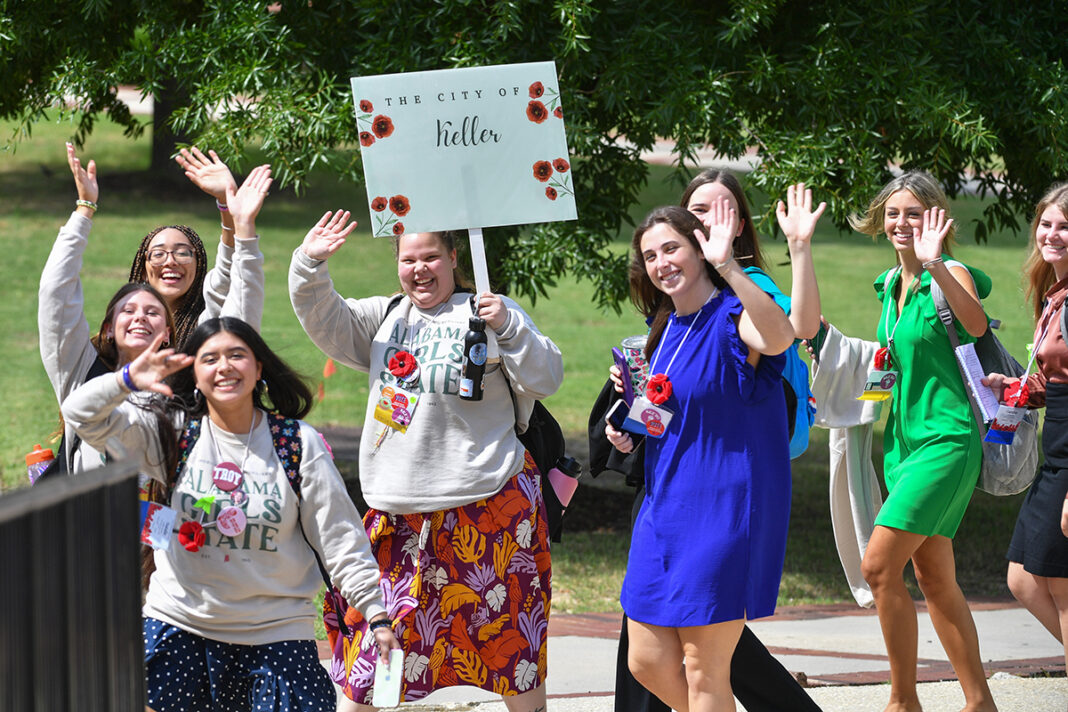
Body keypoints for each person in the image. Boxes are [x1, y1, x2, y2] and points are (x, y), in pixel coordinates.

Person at [288, 214, 563, 711]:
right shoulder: (384, 317)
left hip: (490, 508)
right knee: (372, 657)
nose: (419, 269)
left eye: (431, 257)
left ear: (454, 258)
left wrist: (508, 326)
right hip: (399, 517)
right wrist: (310, 263)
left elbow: (545, 378)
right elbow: (323, 317)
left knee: (513, 659)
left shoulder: (489, 312)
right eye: (408, 259)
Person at [60, 317, 400, 711]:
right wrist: (127, 380)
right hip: (180, 627)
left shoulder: (297, 444)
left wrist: (376, 614)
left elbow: (340, 540)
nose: (224, 367)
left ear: (259, 368)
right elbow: (80, 415)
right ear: (195, 375)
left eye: (237, 355)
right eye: (210, 359)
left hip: (275, 635)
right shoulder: (172, 434)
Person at [606, 173, 826, 712]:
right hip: (664, 508)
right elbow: (670, 411)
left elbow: (781, 336)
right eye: (650, 255)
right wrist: (629, 427)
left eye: (672, 249)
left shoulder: (733, 316)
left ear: (699, 250)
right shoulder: (664, 329)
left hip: (725, 510)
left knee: (705, 670)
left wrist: (734, 264)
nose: (661, 263)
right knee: (646, 661)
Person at [841, 171, 996, 712]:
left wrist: (934, 265)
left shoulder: (948, 272)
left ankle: (903, 701)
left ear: (935, 218)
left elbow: (976, 325)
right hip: (902, 448)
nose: (901, 223)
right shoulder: (889, 285)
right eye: (893, 213)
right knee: (933, 577)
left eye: (913, 213)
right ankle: (979, 702)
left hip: (947, 441)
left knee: (878, 567)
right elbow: (893, 364)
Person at [39, 143, 270, 474]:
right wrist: (84, 209)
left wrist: (237, 219)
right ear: (108, 327)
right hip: (90, 507)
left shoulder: (192, 377)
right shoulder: (81, 370)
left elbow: (232, 306)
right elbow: (55, 295)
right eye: (128, 310)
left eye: (152, 313)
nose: (139, 317)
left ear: (167, 334)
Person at [983, 183, 1068, 676]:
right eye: (1046, 223)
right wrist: (1016, 388)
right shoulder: (1054, 292)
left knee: (1060, 584)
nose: (1051, 234)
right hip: (1054, 450)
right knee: (1022, 578)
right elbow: (1057, 378)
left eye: (1065, 226)